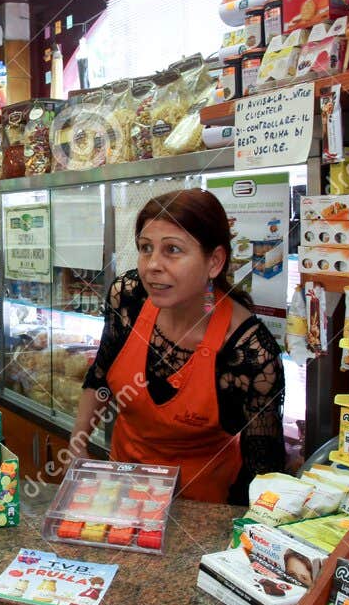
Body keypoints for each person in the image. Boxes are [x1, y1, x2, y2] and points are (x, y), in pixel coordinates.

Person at [69, 188, 286, 505]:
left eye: (172, 250)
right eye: (146, 248)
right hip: (122, 494)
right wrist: (78, 442)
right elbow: (100, 376)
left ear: (214, 262)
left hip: (200, 509)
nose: (152, 265)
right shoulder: (128, 296)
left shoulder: (250, 353)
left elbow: (263, 474)